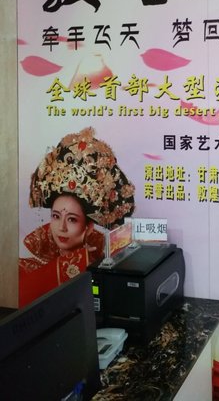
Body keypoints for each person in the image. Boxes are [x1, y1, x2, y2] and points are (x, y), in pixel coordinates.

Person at [19, 127, 135, 306]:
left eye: (72, 219)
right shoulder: (28, 267)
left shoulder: (103, 265)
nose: (62, 227)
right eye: (56, 216)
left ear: (88, 227)